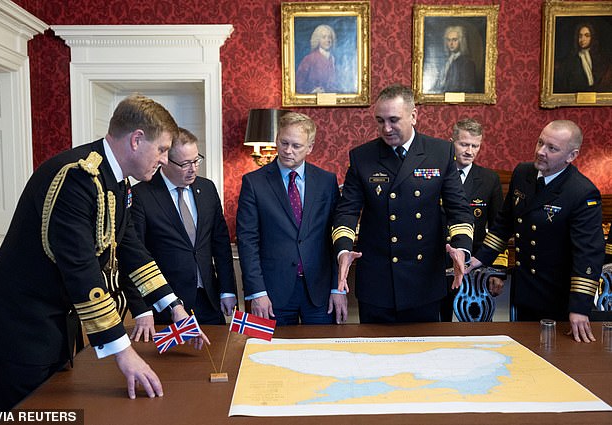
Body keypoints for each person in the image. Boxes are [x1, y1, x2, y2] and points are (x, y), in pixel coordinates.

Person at [0, 94, 208, 423]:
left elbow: (132, 251)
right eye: (161, 150)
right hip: (16, 331)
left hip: (54, 327)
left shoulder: (116, 184)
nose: (163, 160)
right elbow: (81, 270)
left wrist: (173, 307)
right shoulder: (76, 177)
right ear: (136, 140)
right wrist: (123, 352)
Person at [332, 83, 474, 323]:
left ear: (414, 116)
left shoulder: (439, 152)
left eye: (394, 120)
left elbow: (458, 209)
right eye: (380, 121)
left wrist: (461, 248)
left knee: (424, 357)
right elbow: (346, 211)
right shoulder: (362, 157)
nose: (386, 128)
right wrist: (344, 250)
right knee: (375, 356)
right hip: (378, 282)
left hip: (423, 281)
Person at [468, 120, 604, 342]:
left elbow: (588, 254)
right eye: (541, 142)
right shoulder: (523, 173)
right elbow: (504, 223)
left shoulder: (582, 193)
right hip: (525, 290)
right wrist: (480, 258)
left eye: (552, 148)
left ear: (571, 156)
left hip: (559, 299)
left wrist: (580, 306)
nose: (541, 152)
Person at [122, 128, 237, 342]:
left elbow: (220, 244)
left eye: (196, 161)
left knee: (218, 358)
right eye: (185, 164)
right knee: (174, 370)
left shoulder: (207, 188)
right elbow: (133, 256)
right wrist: (142, 308)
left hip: (209, 301)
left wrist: (227, 290)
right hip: (166, 306)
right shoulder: (141, 196)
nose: (193, 169)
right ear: (165, 160)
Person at [237, 112, 346, 325]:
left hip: (320, 292)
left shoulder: (327, 181)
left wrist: (337, 287)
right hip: (270, 293)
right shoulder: (253, 182)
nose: (288, 151)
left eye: (296, 146)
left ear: (310, 147)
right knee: (268, 354)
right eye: (283, 142)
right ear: (277, 139)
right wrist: (257, 292)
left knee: (321, 354)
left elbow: (333, 238)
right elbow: (247, 241)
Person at [440, 118, 506, 321]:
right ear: (451, 141)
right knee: (435, 324)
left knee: (475, 329)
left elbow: (499, 227)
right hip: (438, 264)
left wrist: (498, 270)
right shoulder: (436, 174)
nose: (469, 151)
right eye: (464, 144)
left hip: (473, 267)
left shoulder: (488, 179)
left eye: (475, 146)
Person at [554, 23, 612, 93]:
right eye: (580, 36)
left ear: (592, 38)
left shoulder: (600, 58)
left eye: (587, 36)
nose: (582, 39)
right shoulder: (571, 60)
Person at [433, 26, 479, 93]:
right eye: (449, 40)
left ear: (461, 41)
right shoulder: (446, 61)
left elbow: (468, 90)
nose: (451, 43)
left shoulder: (467, 63)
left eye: (454, 40)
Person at [296, 24, 338, 94]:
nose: (327, 40)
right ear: (318, 40)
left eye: (329, 37)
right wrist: (313, 91)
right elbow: (299, 83)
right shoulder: (309, 59)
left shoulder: (333, 59)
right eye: (324, 37)